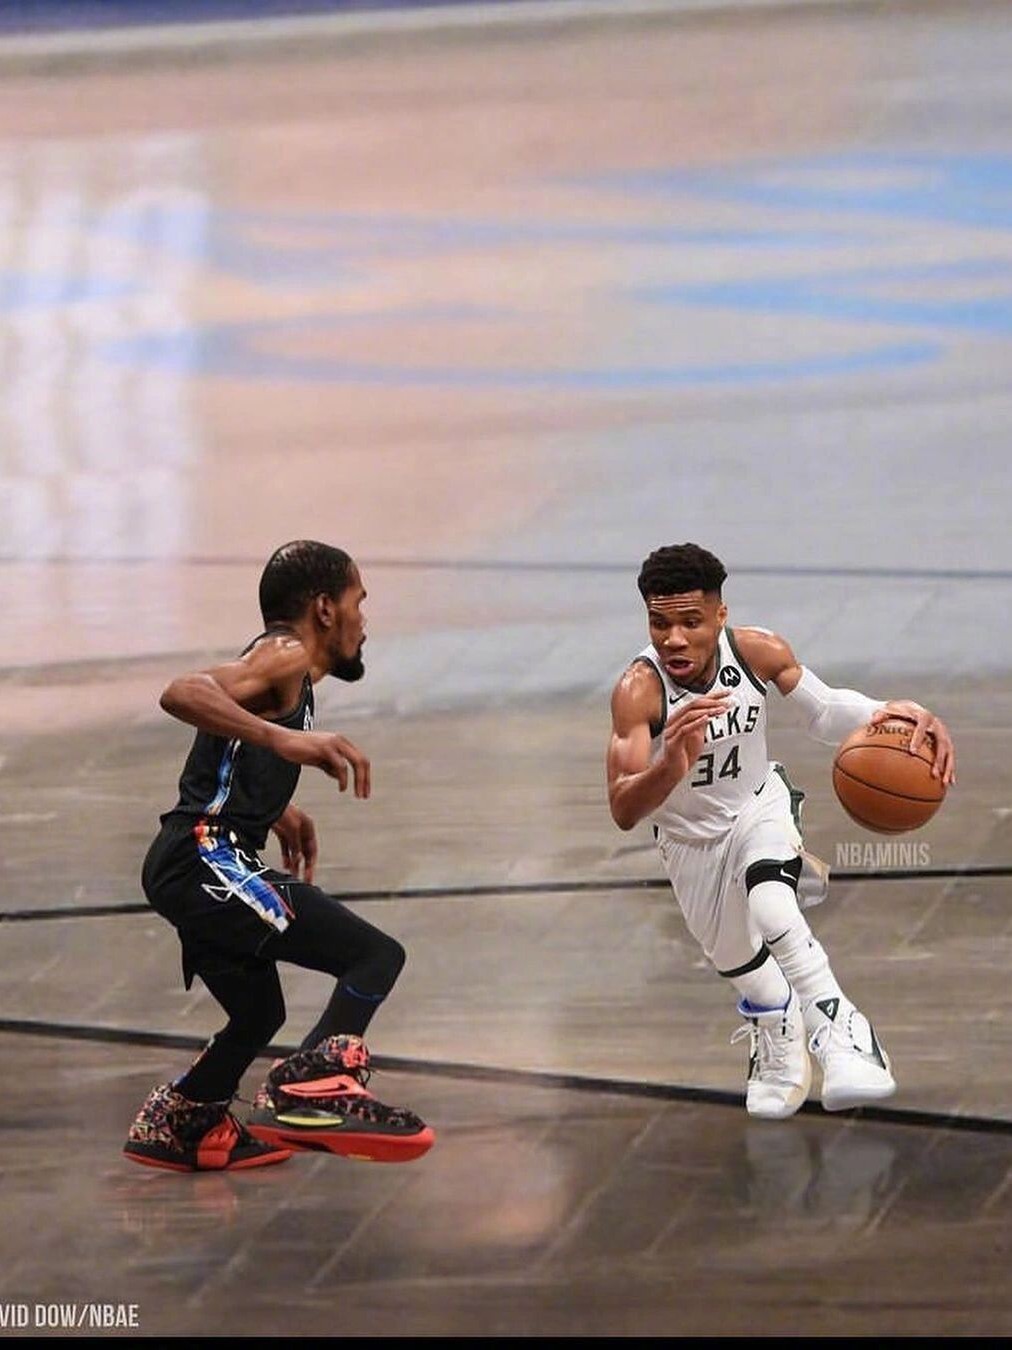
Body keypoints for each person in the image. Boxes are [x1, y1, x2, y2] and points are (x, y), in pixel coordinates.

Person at [606, 543, 956, 1119]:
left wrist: (897, 711)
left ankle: (848, 1038)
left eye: (691, 622)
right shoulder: (638, 691)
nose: (674, 639)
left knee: (771, 906)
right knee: (740, 966)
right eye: (659, 623)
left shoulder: (755, 651)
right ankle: (777, 1025)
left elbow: (825, 712)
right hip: (689, 842)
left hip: (757, 808)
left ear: (719, 615)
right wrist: (672, 763)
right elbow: (623, 807)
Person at [123, 540, 434, 1171]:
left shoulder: (288, 672)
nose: (364, 620)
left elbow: (225, 759)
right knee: (374, 955)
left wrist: (272, 806)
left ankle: (183, 1120)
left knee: (259, 1012)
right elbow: (181, 693)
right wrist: (281, 740)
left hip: (191, 859)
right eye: (358, 602)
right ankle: (307, 1084)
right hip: (204, 856)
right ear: (325, 608)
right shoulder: (284, 652)